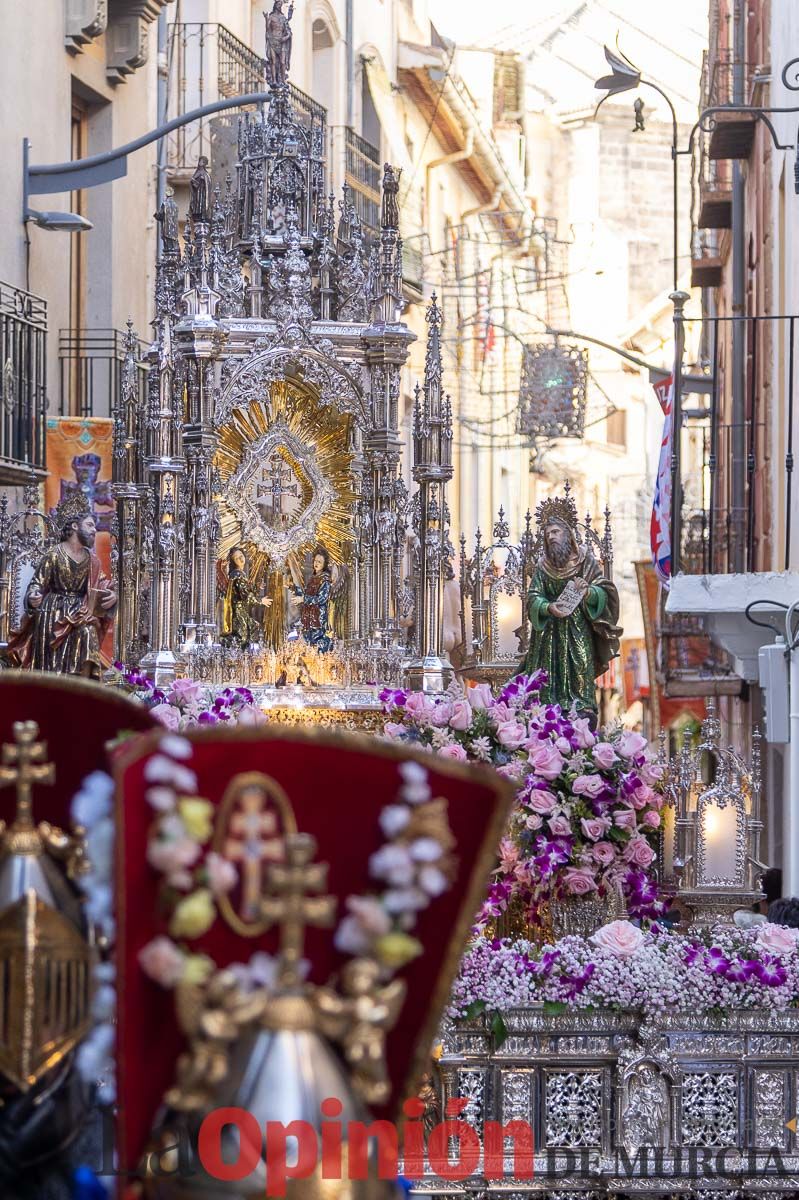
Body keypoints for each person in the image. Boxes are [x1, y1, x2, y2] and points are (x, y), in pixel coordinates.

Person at [518, 499, 621, 717]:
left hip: (578, 631)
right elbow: (533, 596)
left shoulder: (585, 561)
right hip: (548, 637)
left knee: (581, 670)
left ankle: (582, 712)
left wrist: (588, 592)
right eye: (547, 534)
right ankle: (546, 715)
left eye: (555, 532)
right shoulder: (543, 566)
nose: (551, 537)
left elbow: (604, 590)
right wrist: (548, 607)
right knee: (547, 679)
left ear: (567, 533)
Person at [7, 498, 116, 676]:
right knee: (59, 633)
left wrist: (112, 594)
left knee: (89, 632)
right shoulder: (54, 555)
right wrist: (33, 596)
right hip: (54, 613)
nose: (94, 530)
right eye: (89, 525)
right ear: (75, 526)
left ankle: (83, 685)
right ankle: (53, 683)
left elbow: (102, 583)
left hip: (80, 613)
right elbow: (37, 583)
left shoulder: (92, 560)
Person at [220, 547, 272, 649]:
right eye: (236, 558)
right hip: (237, 611)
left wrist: (256, 587)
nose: (240, 559)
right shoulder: (237, 575)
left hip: (241, 610)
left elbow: (245, 589)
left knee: (252, 628)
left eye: (241, 556)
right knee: (242, 636)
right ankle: (234, 654)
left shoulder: (239, 574)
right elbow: (245, 595)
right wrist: (260, 601)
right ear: (233, 562)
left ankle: (242, 653)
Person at [290, 546, 333, 653]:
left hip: (318, 619)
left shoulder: (325, 580)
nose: (316, 563)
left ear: (324, 564)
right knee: (308, 645)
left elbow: (322, 599)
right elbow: (304, 595)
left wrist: (303, 599)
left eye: (319, 562)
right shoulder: (312, 579)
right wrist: (292, 587)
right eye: (315, 561)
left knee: (317, 645)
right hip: (308, 618)